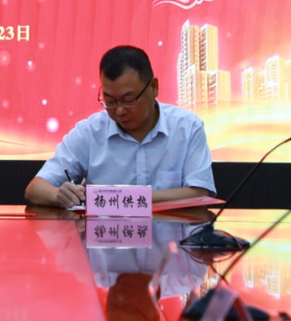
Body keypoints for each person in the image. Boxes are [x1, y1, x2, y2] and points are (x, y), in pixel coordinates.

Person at [25, 45, 215, 208]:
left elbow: (199, 193)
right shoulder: (90, 131)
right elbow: (35, 188)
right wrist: (59, 196)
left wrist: (120, 199)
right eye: (110, 101)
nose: (120, 111)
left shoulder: (187, 127)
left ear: (154, 87)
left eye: (129, 100)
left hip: (172, 238)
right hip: (105, 238)